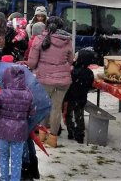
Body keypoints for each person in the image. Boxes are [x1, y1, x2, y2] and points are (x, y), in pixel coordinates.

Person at [26, 16, 73, 148]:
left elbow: (32, 62)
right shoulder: (67, 40)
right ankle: (53, 138)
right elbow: (70, 60)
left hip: (44, 79)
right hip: (63, 81)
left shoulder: (39, 39)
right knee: (56, 108)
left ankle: (42, 134)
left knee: (44, 107)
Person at [0, 66, 35, 181]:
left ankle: (4, 178)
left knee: (3, 156)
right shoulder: (28, 94)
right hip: (19, 131)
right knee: (17, 159)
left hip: (3, 130)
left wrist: (0, 110)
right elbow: (32, 112)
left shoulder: (2, 94)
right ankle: (15, 179)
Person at [64, 49, 95, 144]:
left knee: (69, 114)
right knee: (79, 115)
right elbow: (90, 86)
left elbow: (69, 84)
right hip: (82, 97)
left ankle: (71, 131)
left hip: (71, 96)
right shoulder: (89, 73)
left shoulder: (73, 71)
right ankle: (80, 134)